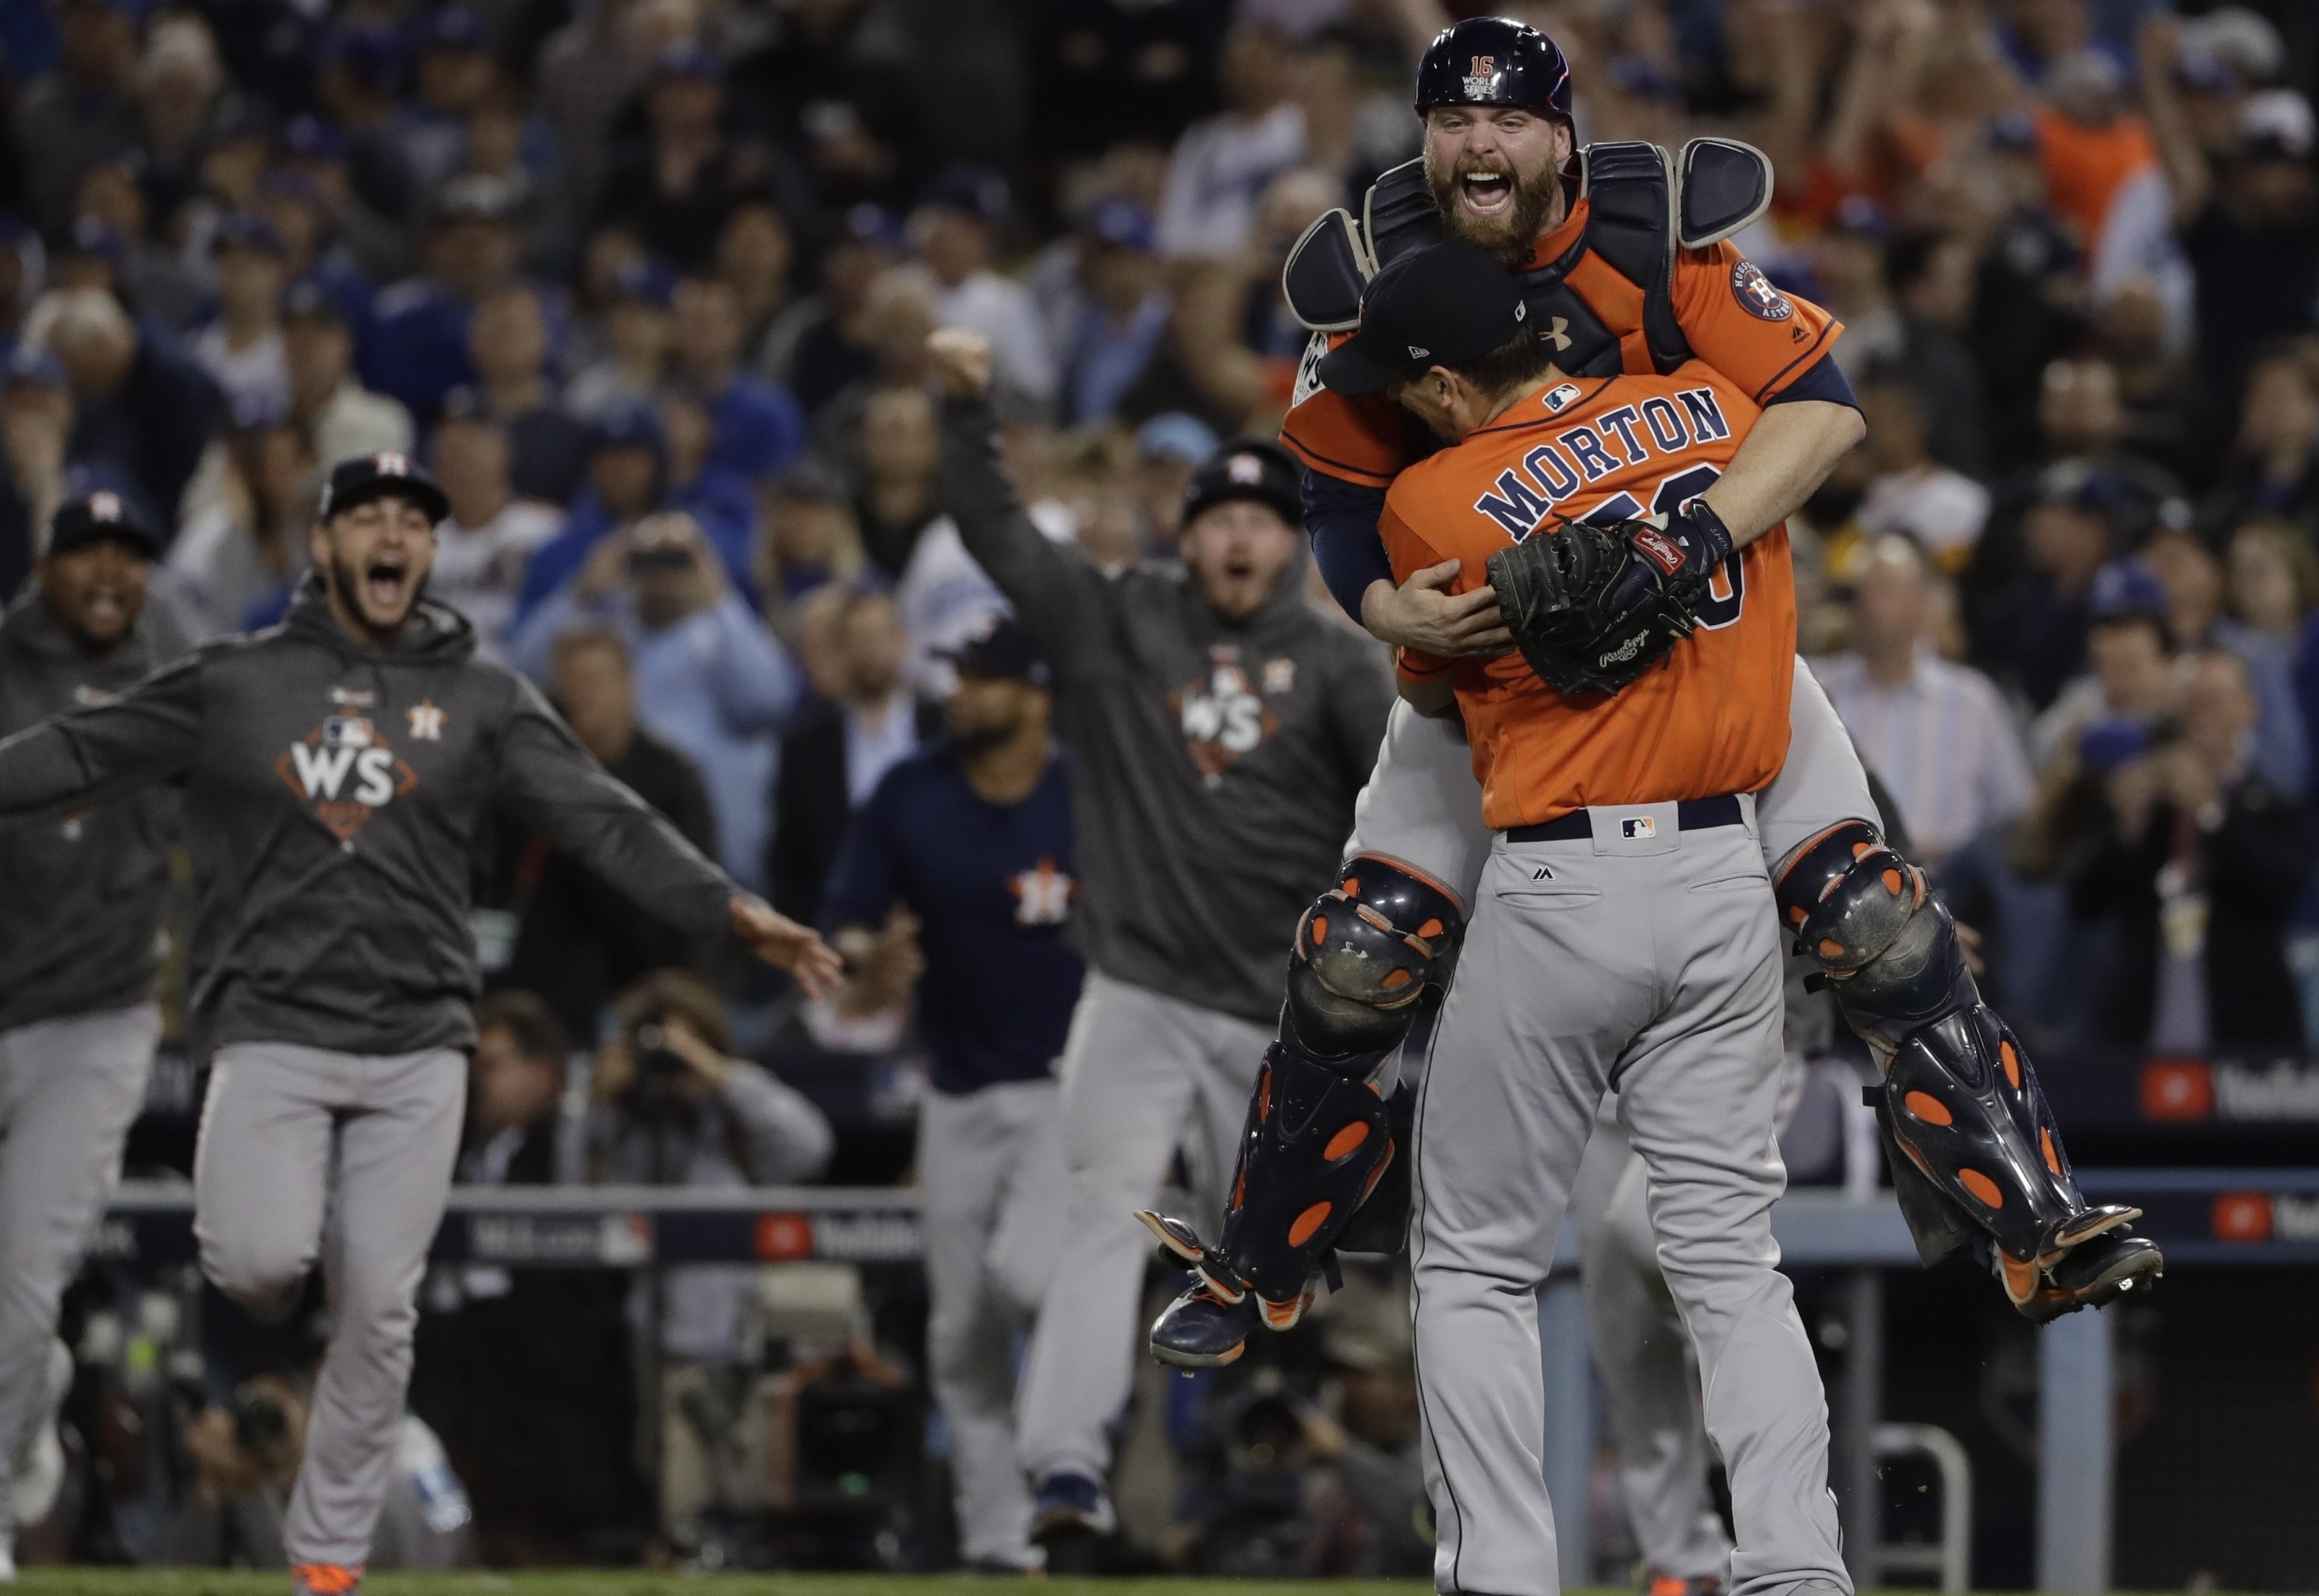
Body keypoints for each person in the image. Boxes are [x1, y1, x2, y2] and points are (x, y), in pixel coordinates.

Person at [1147, 16, 2157, 1397]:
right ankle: (1259, 1260)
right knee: (1361, 951)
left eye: (1508, 120)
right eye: (1454, 120)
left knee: (1872, 912)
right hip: (1500, 670)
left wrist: (1689, 539)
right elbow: (1333, 494)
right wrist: (1391, 609)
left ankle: (2031, 1221)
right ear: (1426, 136)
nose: (1480, 145)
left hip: (1702, 642)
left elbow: (1823, 409)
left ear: (1562, 135)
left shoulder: (1655, 234)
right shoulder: (1384, 272)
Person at [0, 450, 841, 1596]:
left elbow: (603, 813)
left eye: (413, 521)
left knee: (381, 1310)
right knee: (256, 1262)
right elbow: (83, 751)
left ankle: (328, 1564)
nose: (393, 535)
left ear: (429, 553)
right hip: (272, 1028)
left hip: (420, 1043)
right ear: (326, 545)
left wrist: (726, 906)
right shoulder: (236, 681)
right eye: (369, 518)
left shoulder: (484, 697)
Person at [1285, 237, 1839, 1596]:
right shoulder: (1718, 410)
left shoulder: (1435, 496)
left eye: (1400, 380)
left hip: (1562, 875)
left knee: (1473, 1252)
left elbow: (1423, 693)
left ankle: (1504, 1576)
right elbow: (1818, 399)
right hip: (1728, 875)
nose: (1392, 402)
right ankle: (1794, 1566)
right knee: (1730, 1259)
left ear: (1441, 378)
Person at [928, 330, 1395, 1542]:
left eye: (1261, 519)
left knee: (1323, 1271)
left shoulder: (1339, 666)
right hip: (1135, 995)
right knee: (1098, 1224)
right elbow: (997, 535)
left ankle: (1400, 1500)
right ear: (1183, 537)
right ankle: (1066, 1479)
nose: (1239, 538)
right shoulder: (1115, 623)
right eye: (1216, 520)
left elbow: (1416, 800)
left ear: (1290, 542)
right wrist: (965, 410)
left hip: (1282, 1025)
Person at [820, 613, 1078, 1573]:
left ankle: (1068, 1465)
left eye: (983, 676)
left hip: (1069, 1087)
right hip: (958, 1084)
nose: (958, 691)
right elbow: (843, 917)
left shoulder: (1089, 792)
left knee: (1029, 1279)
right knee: (962, 1325)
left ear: (1035, 693)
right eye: (956, 673)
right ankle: (999, 1541)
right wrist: (864, 955)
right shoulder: (910, 790)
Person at [0, 492, 182, 1580]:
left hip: (97, 1023)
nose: (110, 572)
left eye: (130, 553)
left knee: (23, 1280)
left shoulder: (183, 673)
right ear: (48, 566)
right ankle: (32, 1403)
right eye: (88, 554)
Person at [584, 972, 834, 1555]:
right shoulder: (627, 1127)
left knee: (758, 1514)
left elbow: (810, 1145)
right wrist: (600, 1102)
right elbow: (578, 1194)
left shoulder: (736, 1123)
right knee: (683, 1518)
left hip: (753, 1349)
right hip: (665, 1353)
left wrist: (712, 1070)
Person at [1816, 536, 2034, 867]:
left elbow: (2014, 813)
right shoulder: (1818, 692)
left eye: (1884, 590)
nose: (1868, 604)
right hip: (1842, 877)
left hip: (1950, 882)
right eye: (1862, 590)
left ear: (1921, 604)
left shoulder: (1970, 699)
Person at [769, 588, 940, 927]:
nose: (870, 652)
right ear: (841, 652)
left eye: (879, 637)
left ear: (902, 640)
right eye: (858, 641)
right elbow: (790, 859)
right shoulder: (806, 744)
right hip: (843, 931)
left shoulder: (943, 727)